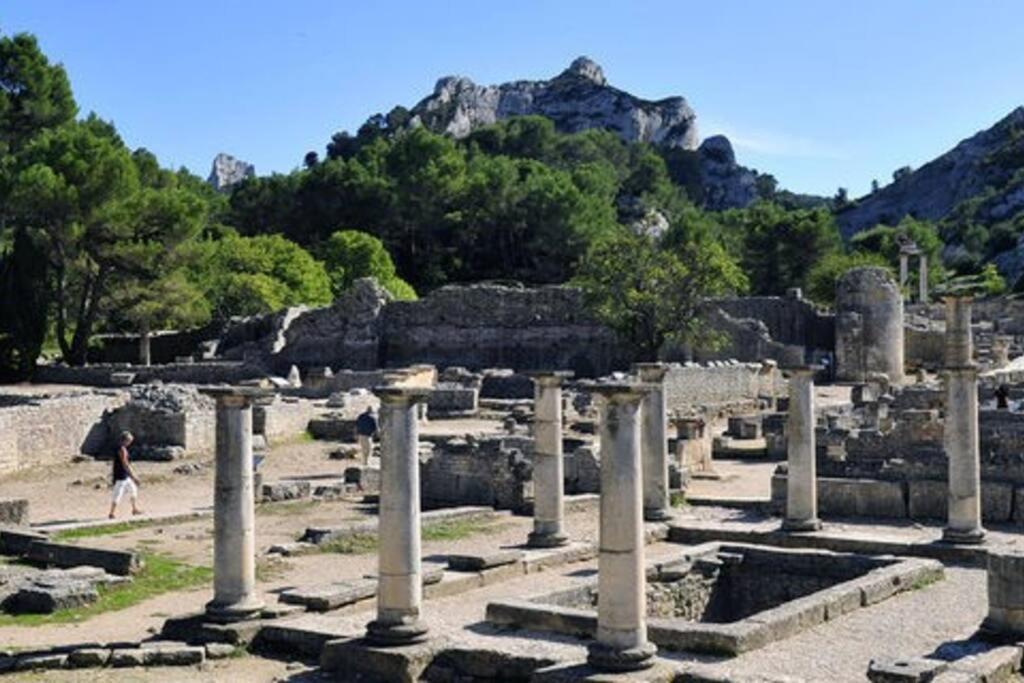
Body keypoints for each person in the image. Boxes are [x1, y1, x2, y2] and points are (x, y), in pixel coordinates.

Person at [108, 431, 142, 519]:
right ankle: (112, 513)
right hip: (121, 475)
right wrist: (134, 476)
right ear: (125, 440)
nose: (130, 443)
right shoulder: (122, 449)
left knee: (133, 490)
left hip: (125, 476)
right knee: (117, 494)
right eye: (129, 441)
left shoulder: (122, 448)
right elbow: (125, 464)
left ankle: (134, 509)